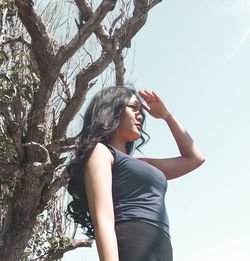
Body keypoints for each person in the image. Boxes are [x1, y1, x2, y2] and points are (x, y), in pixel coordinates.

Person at [67, 86, 205, 261]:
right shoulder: (101, 153)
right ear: (112, 109)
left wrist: (167, 116)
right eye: (133, 108)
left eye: (141, 111)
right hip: (133, 238)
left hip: (162, 244)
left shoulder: (143, 164)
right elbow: (103, 220)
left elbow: (195, 158)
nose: (140, 115)